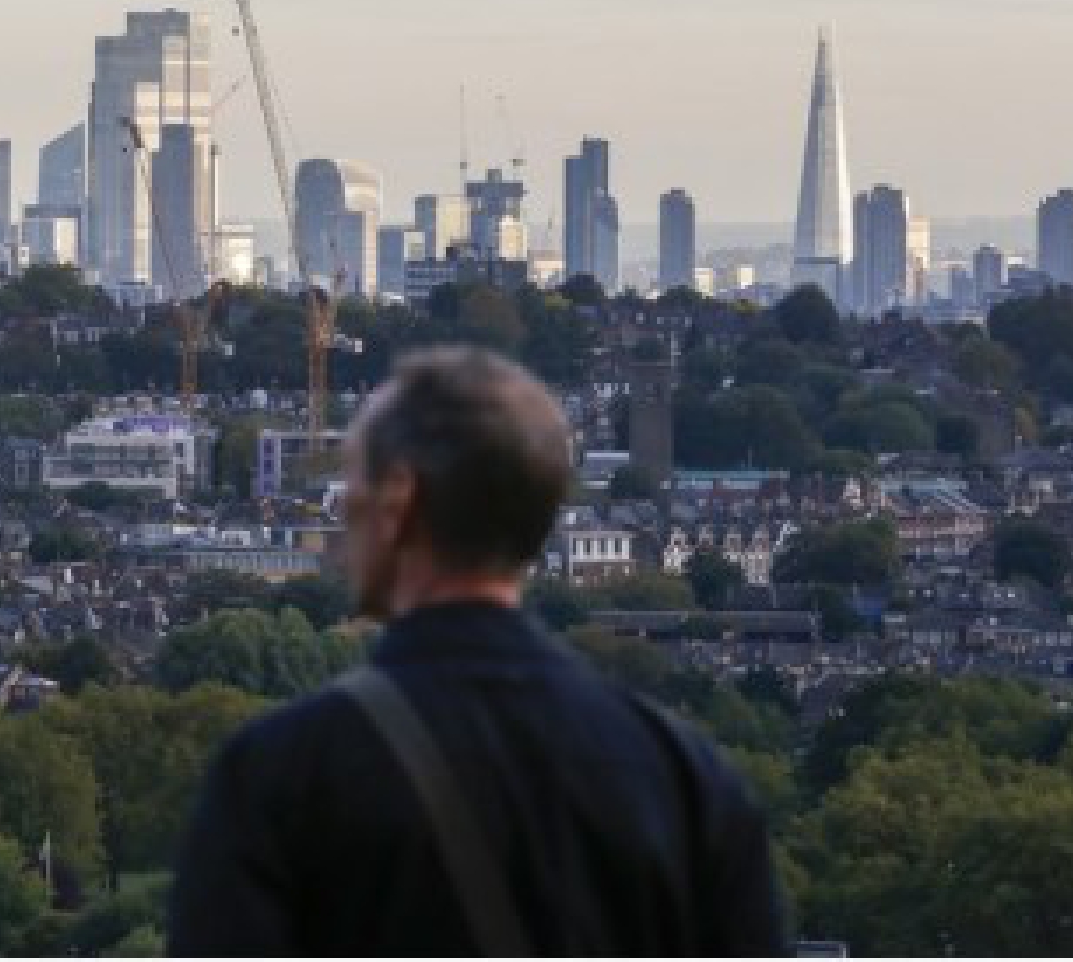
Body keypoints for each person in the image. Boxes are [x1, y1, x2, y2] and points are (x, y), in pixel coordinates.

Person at [168, 346, 787, 956]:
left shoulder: (280, 776)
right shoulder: (687, 780)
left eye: (349, 487)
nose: (340, 517)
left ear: (399, 501)